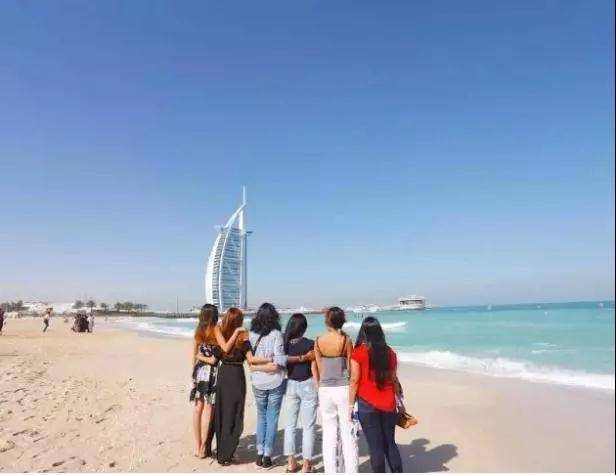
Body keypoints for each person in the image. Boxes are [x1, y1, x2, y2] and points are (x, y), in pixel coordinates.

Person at [212, 307, 274, 466]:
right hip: (232, 376)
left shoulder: (238, 338)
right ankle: (225, 453)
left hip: (229, 376)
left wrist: (269, 359)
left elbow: (250, 359)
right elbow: (228, 349)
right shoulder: (229, 336)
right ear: (238, 322)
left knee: (229, 413)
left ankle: (225, 453)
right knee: (230, 414)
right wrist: (237, 332)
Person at [349, 316, 403, 473]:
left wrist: (350, 405)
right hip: (388, 403)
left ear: (363, 332)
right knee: (390, 443)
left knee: (375, 446)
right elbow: (393, 378)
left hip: (367, 405)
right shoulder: (390, 352)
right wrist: (400, 402)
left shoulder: (358, 353)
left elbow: (354, 381)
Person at [314, 306, 357, 474]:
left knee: (329, 434)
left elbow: (319, 367)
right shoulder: (346, 340)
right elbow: (350, 366)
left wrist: (320, 386)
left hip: (325, 388)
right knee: (348, 434)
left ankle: (330, 471)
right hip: (343, 388)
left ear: (327, 321)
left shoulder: (318, 340)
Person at [248, 302, 288, 468]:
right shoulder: (276, 334)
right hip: (274, 381)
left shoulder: (251, 334)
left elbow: (250, 361)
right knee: (272, 418)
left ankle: (259, 452)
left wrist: (257, 367)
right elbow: (279, 361)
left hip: (257, 380)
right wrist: (271, 363)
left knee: (261, 416)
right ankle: (267, 455)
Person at [283, 313, 318, 473]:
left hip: (290, 384)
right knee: (308, 427)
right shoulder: (310, 344)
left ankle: (291, 463)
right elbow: (315, 366)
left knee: (290, 425)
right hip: (308, 384)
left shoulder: (284, 344)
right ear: (304, 328)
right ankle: (306, 465)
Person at [190, 304, 221, 458]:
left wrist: (193, 374)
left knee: (198, 409)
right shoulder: (217, 331)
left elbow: (194, 354)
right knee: (208, 410)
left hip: (199, 372)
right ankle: (203, 447)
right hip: (212, 373)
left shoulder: (198, 331)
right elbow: (216, 358)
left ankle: (197, 446)